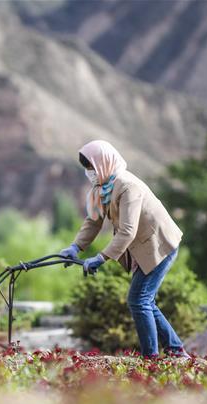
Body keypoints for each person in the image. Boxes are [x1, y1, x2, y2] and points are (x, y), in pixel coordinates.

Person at [58, 139, 189, 359]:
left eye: (92, 167)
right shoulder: (101, 188)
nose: (89, 173)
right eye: (87, 168)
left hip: (159, 244)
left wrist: (101, 258)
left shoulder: (128, 186)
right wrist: (75, 247)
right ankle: (176, 350)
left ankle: (152, 357)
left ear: (104, 162)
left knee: (138, 299)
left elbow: (128, 230)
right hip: (143, 246)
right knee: (144, 300)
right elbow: (94, 221)